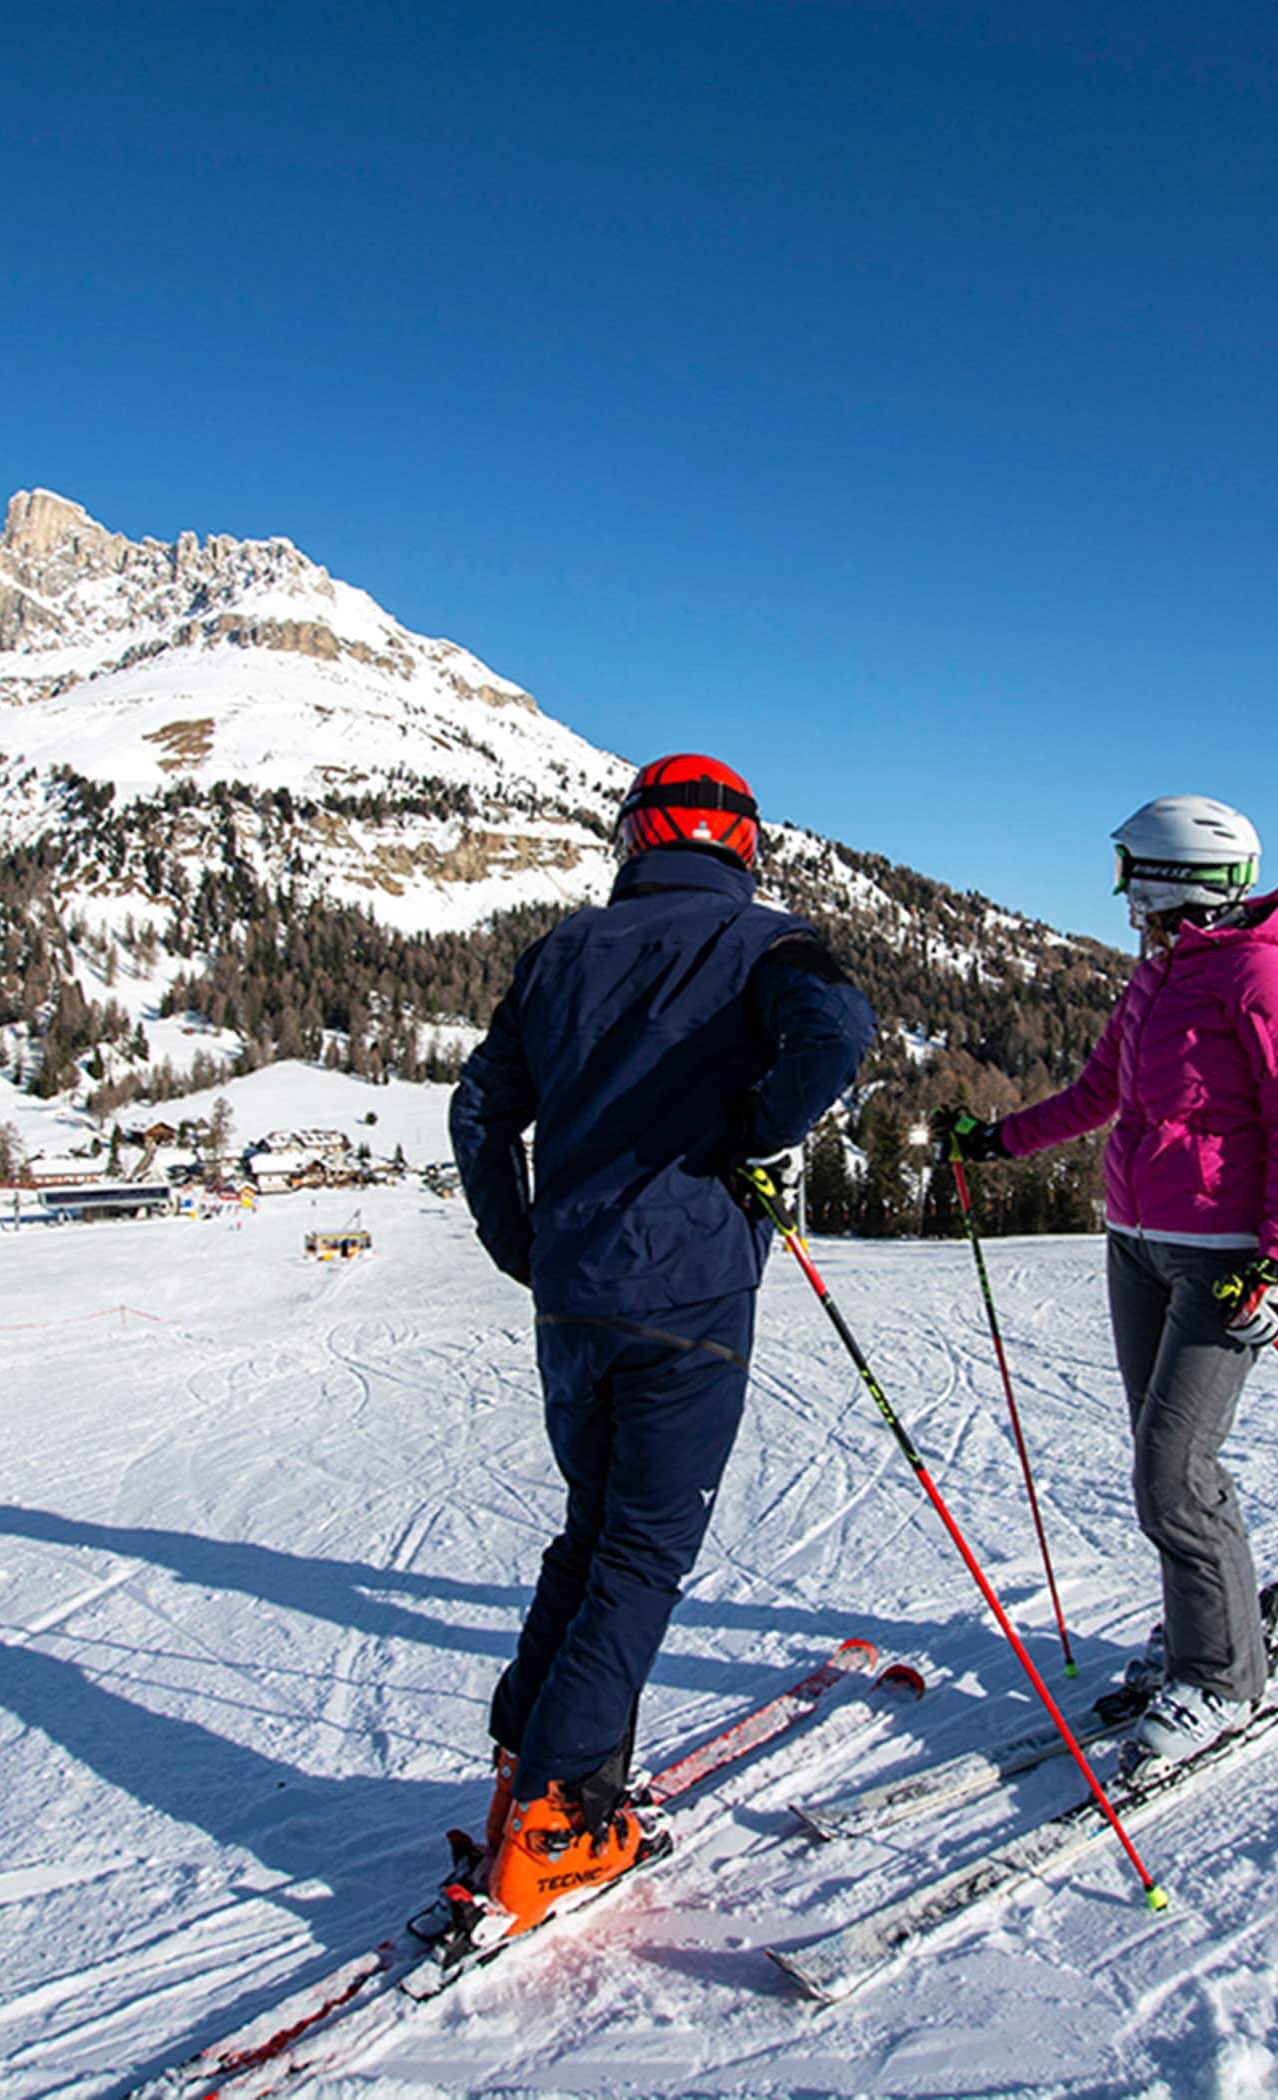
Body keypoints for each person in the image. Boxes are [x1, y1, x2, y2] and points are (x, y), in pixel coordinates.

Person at [449, 753, 874, 1936]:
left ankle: (526, 1767)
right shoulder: (769, 942)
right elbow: (836, 1036)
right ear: (742, 843)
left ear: (636, 837)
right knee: (640, 1553)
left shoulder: (561, 950)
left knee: (591, 1534)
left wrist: (518, 1237)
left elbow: (481, 1107)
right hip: (685, 1294)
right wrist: (758, 1130)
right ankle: (557, 1818)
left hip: (572, 1294)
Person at [936, 795, 1278, 1764]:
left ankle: (1223, 1679)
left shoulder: (1257, 977)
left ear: (1169, 880)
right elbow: (1098, 1094)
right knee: (1165, 1460)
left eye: (1128, 873)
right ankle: (1212, 1626)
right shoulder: (1157, 976)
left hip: (1224, 1256)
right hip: (1137, 1246)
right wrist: (998, 1141)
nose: (1120, 893)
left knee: (1174, 1470)